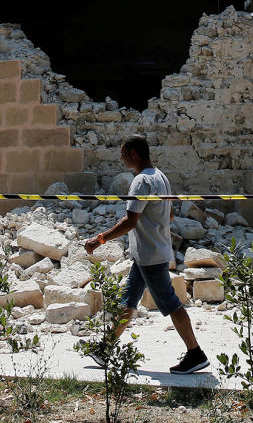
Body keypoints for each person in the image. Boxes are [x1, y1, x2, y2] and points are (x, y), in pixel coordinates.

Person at [83, 134, 209, 375]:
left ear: (133, 153)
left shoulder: (141, 181)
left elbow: (130, 221)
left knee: (171, 303)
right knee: (128, 301)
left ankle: (195, 353)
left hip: (150, 255)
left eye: (123, 153)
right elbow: (169, 215)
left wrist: (99, 240)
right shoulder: (160, 177)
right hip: (148, 252)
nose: (120, 158)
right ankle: (106, 349)